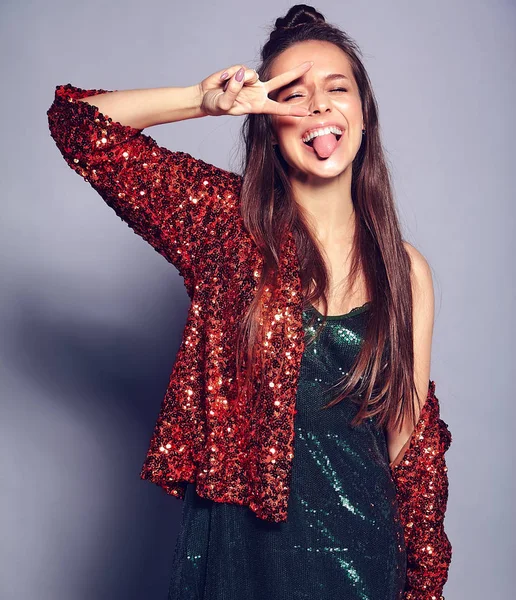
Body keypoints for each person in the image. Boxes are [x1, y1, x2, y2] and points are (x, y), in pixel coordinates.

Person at [47, 4, 452, 599]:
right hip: (242, 556)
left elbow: (409, 448)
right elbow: (78, 124)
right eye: (292, 94)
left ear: (363, 114)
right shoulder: (225, 225)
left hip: (365, 558)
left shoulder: (405, 268)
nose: (317, 105)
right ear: (267, 119)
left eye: (336, 88)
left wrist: (422, 585)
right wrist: (201, 100)